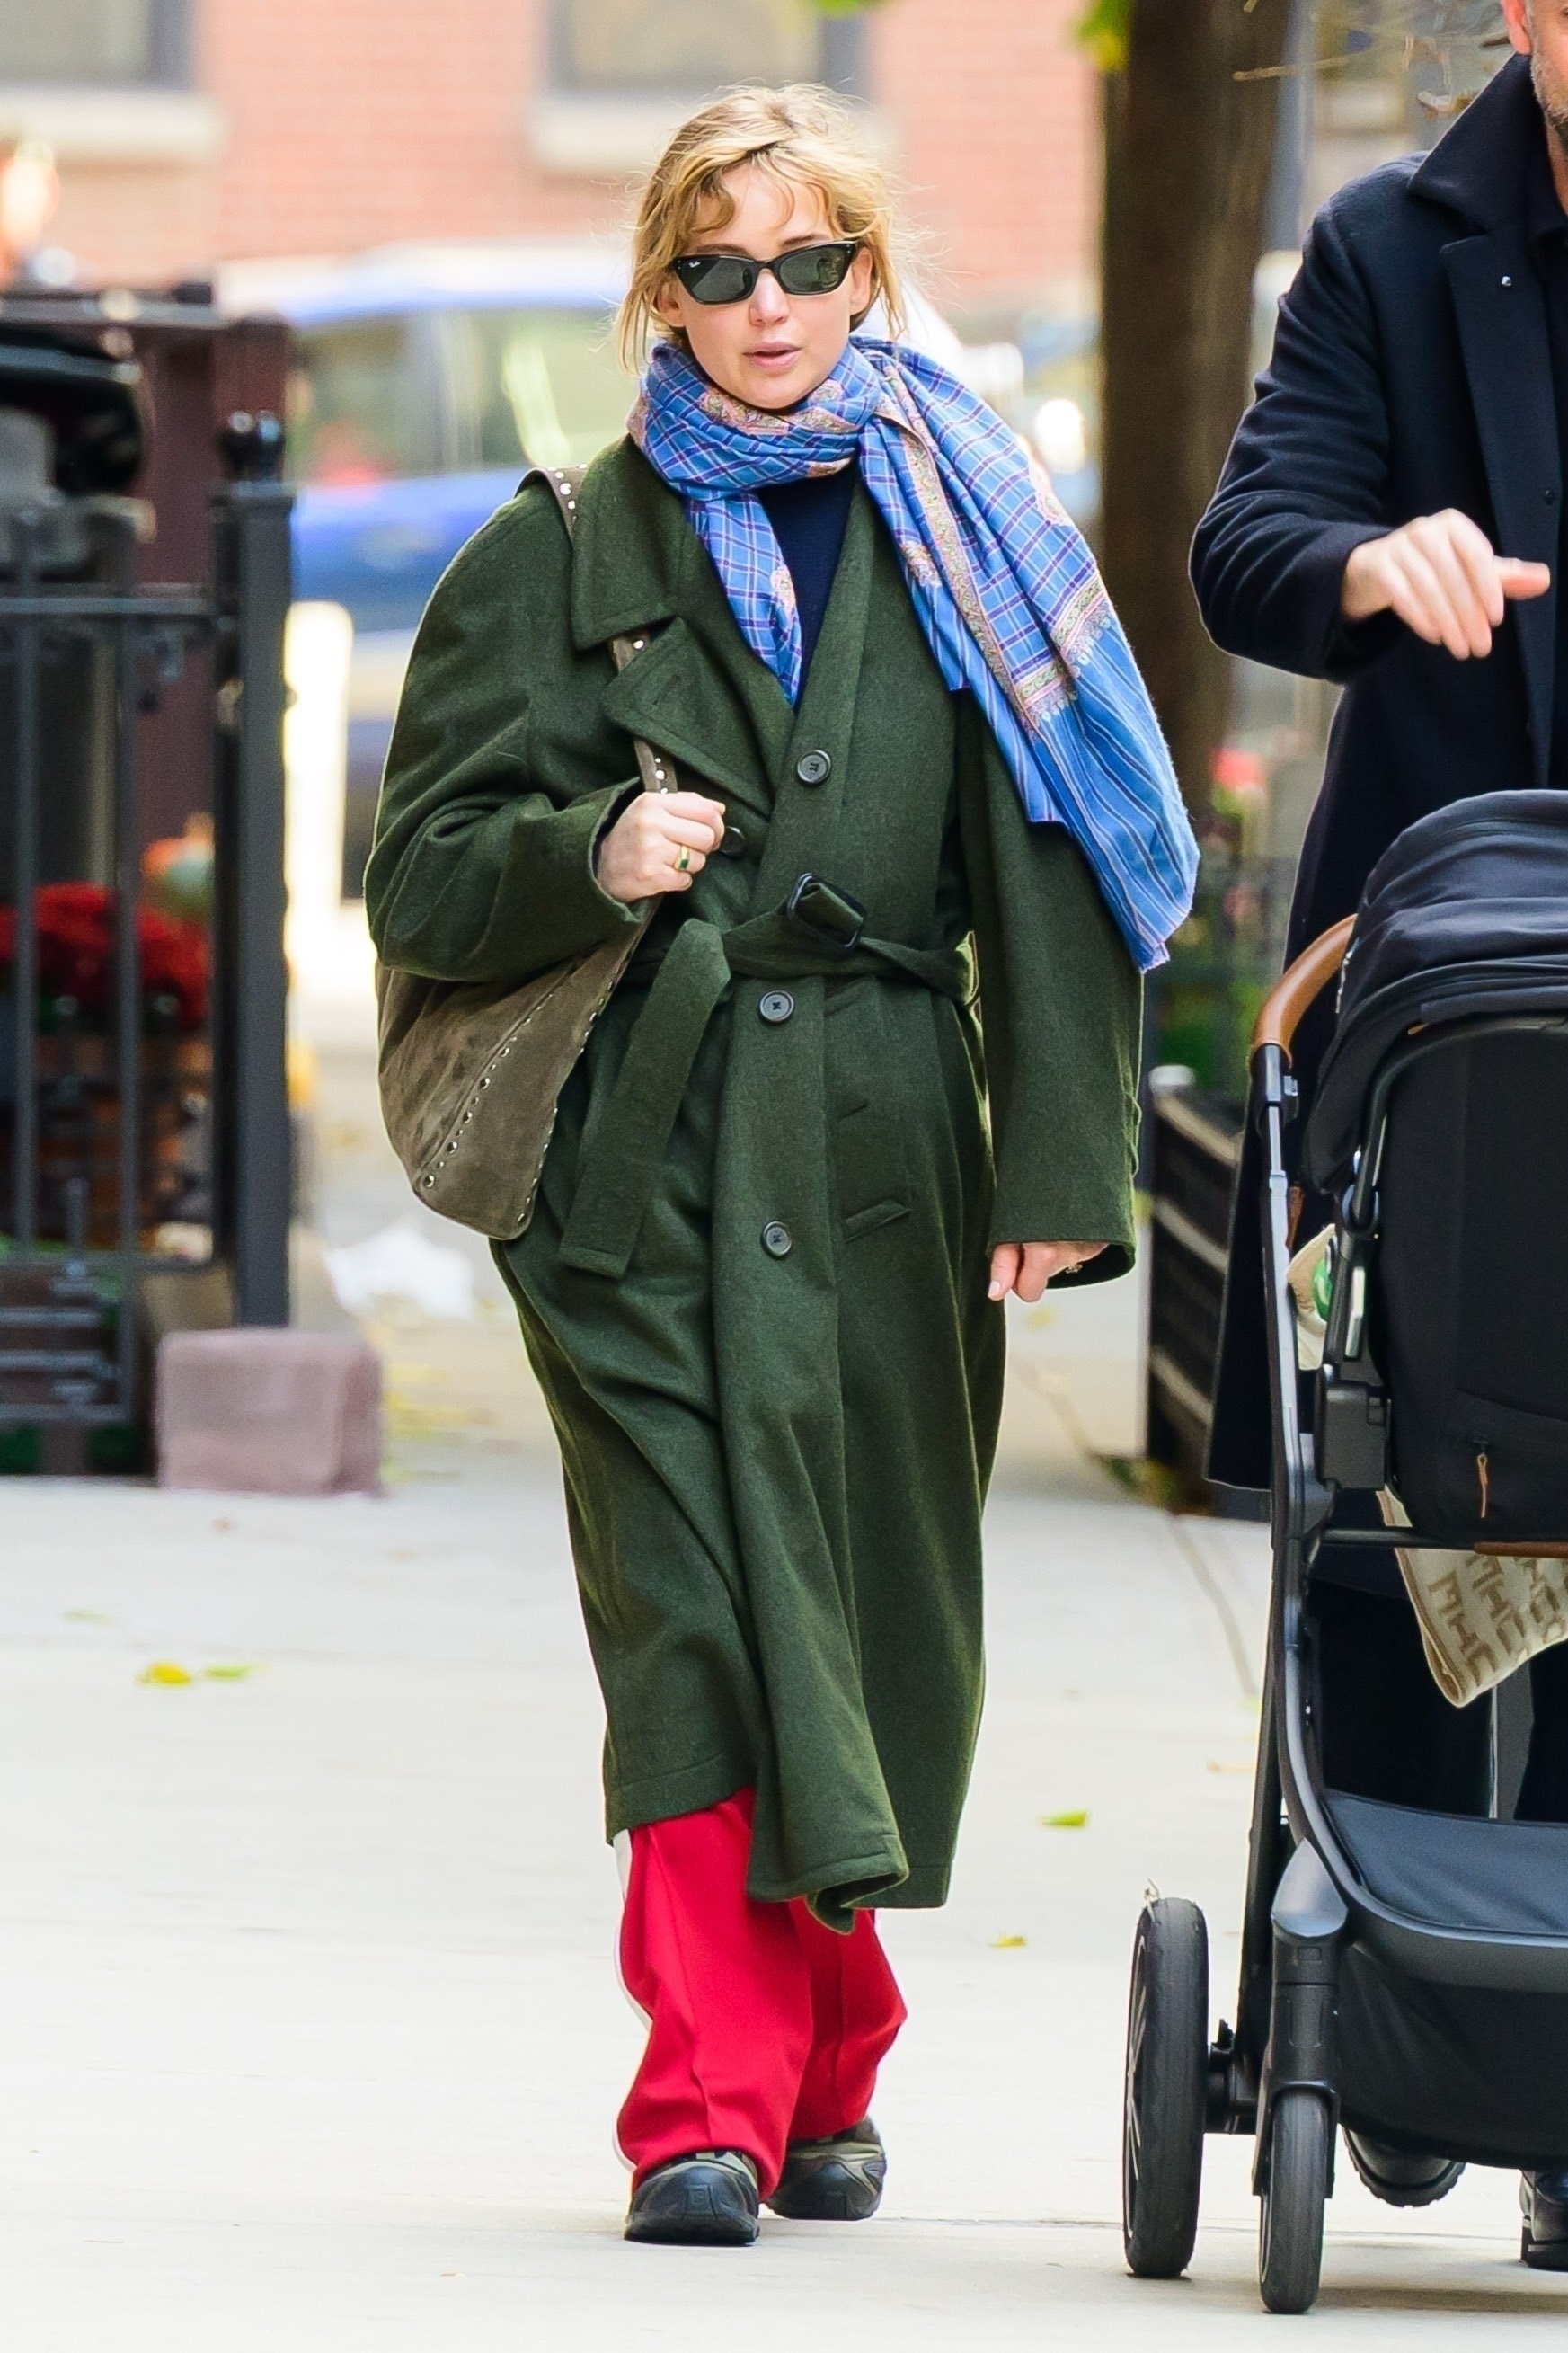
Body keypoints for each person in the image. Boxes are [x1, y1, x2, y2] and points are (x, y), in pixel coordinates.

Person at [368, 84, 1194, 2248]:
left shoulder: (963, 535)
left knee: (864, 1607)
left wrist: (1061, 1161)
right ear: (663, 288)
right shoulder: (553, 551)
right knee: (692, 1621)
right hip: (632, 1166)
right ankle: (702, 2111)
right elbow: (418, 881)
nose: (768, 305)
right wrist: (588, 848)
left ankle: (832, 2057)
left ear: (864, 274)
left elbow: (1054, 868)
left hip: (891, 1149)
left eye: (809, 261)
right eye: (720, 267)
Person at [1192, 5, 1568, 2258]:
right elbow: (1251, 541)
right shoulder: (1391, 244)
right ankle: (1414, 1999)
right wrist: (1370, 559)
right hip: (1458, 984)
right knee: (1436, 1468)